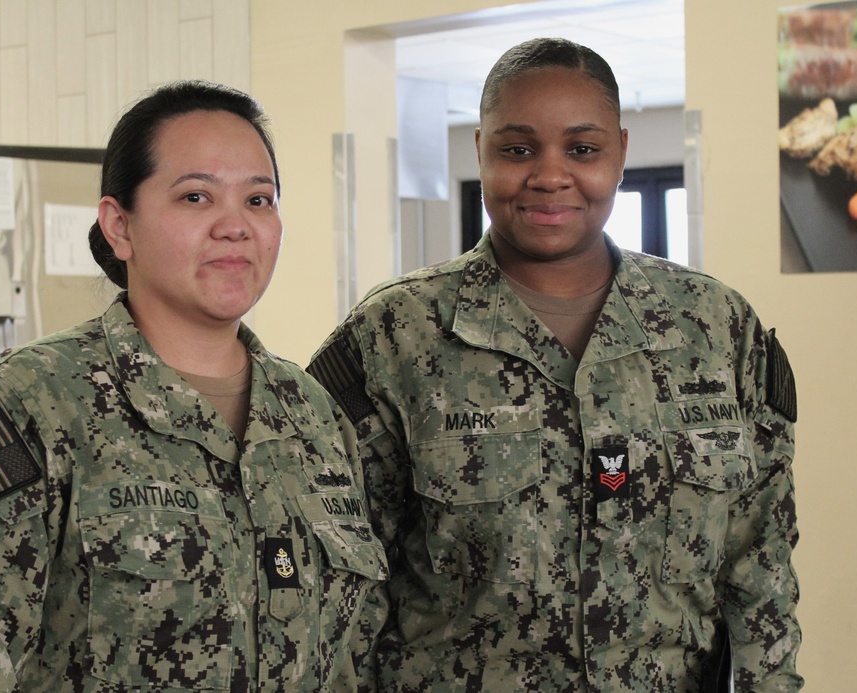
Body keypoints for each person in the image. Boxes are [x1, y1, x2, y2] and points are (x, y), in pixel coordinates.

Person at [308, 38, 802, 691]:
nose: (549, 174)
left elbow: (760, 571)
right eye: (516, 150)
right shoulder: (393, 338)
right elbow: (342, 589)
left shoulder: (715, 329)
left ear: (621, 152)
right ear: (480, 149)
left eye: (582, 149)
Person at [0, 80, 388, 692]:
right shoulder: (27, 411)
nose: (235, 226)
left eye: (259, 200)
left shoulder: (314, 418)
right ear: (120, 226)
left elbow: (353, 655)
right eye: (196, 197)